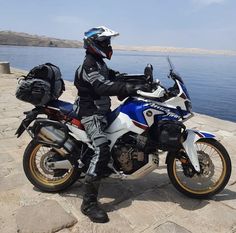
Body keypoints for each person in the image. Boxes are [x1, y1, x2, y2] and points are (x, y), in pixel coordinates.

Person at [74, 26, 150, 223]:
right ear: (94, 44)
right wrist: (128, 87)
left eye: (108, 42)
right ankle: (88, 203)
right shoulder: (89, 64)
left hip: (103, 112)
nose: (108, 45)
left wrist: (143, 80)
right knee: (102, 149)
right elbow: (102, 86)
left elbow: (115, 77)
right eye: (104, 42)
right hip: (91, 114)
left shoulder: (99, 63)